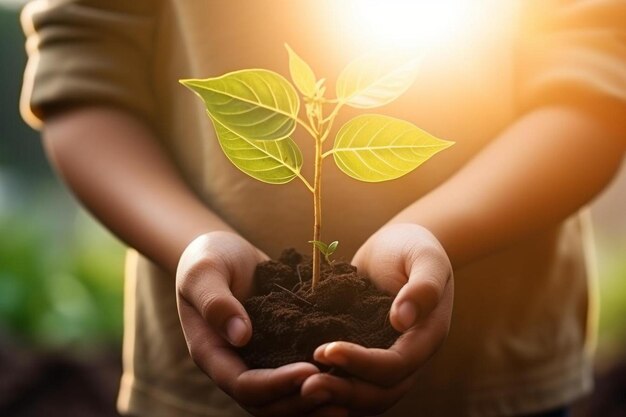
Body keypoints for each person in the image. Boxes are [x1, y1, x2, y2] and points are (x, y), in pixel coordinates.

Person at [20, 0, 626, 416]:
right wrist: (193, 246)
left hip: (491, 375)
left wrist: (432, 234)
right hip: (206, 376)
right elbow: (82, 79)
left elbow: (595, 81)